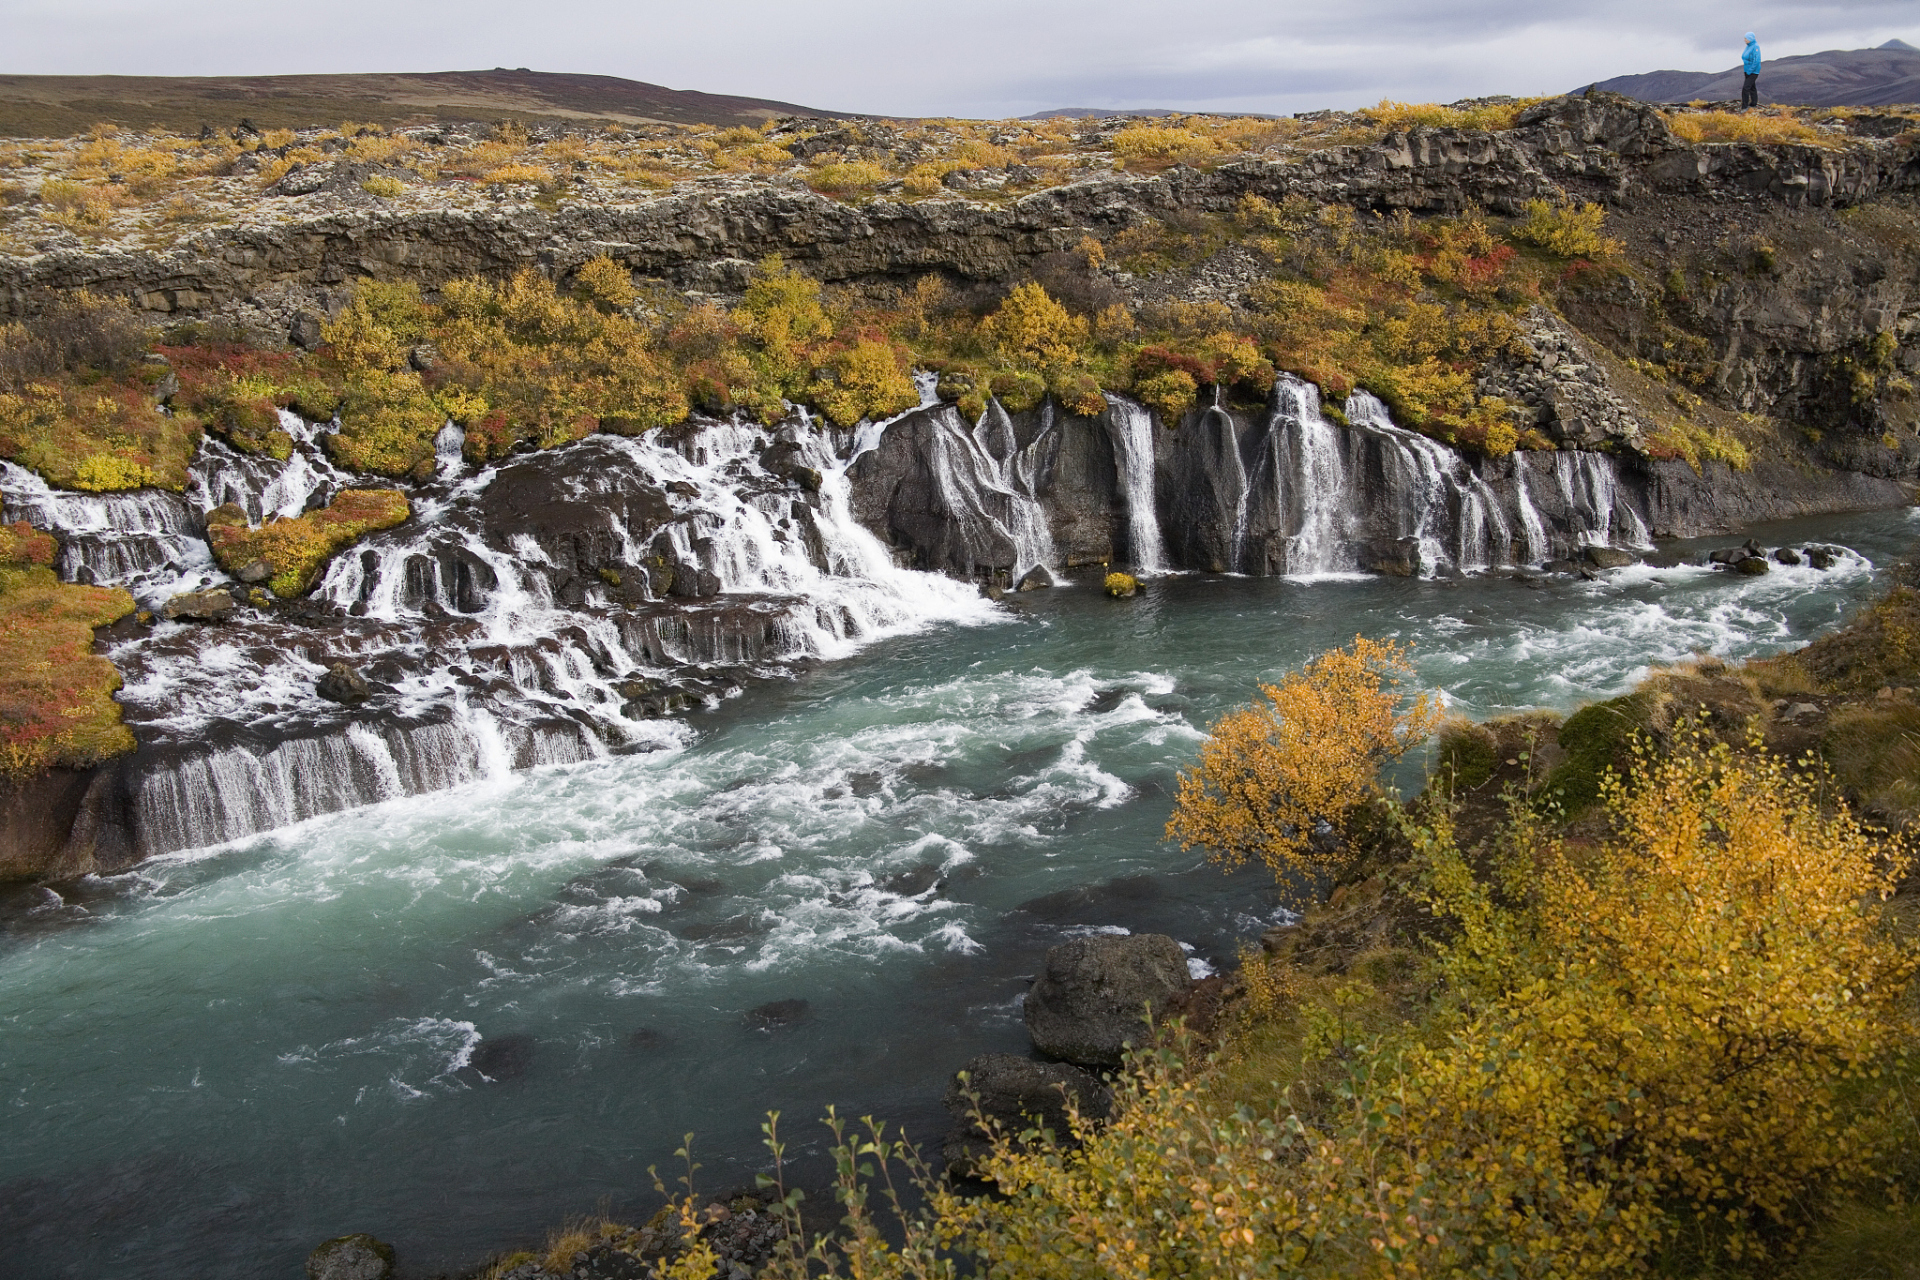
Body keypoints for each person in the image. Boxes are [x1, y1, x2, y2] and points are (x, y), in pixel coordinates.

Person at [1742, 32, 1762, 108]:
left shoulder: (1755, 47)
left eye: (1746, 38)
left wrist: (1750, 71)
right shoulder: (1748, 46)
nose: (1744, 40)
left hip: (1753, 71)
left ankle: (1744, 107)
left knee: (1746, 88)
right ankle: (1753, 103)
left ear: (1750, 38)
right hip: (1747, 70)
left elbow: (1756, 61)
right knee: (1752, 87)